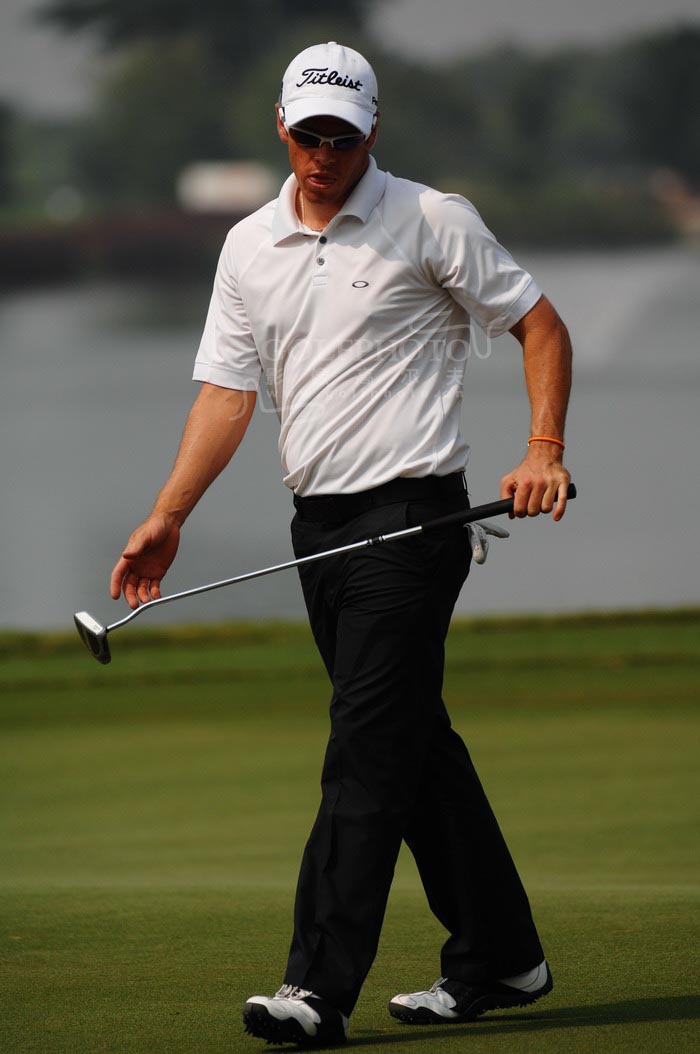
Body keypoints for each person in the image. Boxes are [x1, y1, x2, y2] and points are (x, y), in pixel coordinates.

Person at [110, 41, 572, 1048]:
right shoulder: (248, 246)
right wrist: (170, 514)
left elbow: (539, 325)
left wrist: (542, 448)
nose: (325, 154)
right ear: (281, 127)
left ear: (372, 132)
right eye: (310, 134)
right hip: (317, 529)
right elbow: (228, 394)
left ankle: (317, 988)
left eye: (343, 137)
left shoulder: (431, 219)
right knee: (410, 744)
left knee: (363, 751)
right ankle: (502, 954)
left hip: (413, 522)